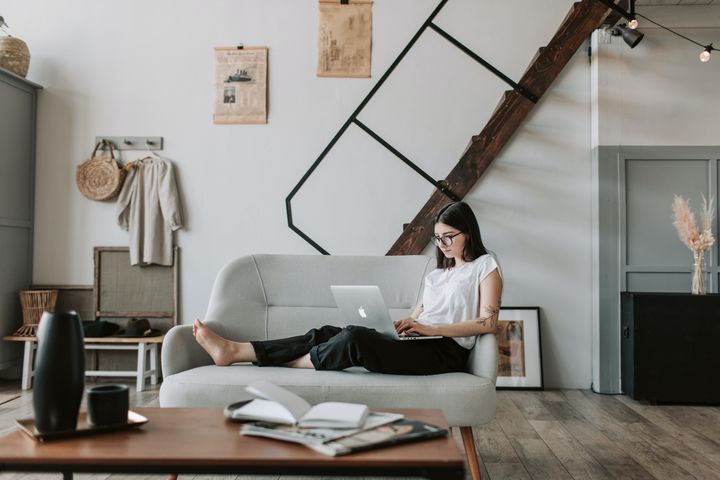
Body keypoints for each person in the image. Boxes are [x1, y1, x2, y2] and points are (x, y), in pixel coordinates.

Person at [193, 201, 503, 375]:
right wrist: (404, 325)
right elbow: (418, 314)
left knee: (354, 339)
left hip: (444, 352)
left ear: (468, 232)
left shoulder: (485, 266)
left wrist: (431, 329)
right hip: (418, 342)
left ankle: (285, 361)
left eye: (449, 236)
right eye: (438, 238)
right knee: (328, 332)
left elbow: (488, 323)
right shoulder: (437, 275)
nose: (443, 244)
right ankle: (235, 350)